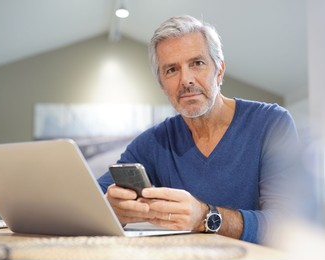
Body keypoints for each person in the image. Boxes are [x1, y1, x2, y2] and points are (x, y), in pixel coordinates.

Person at [98, 15, 299, 244]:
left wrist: (205, 217)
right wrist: (112, 209)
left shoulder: (271, 123)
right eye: (172, 70)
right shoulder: (153, 143)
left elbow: (288, 227)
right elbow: (90, 199)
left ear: (220, 70)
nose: (186, 80)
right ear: (162, 84)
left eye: (197, 63)